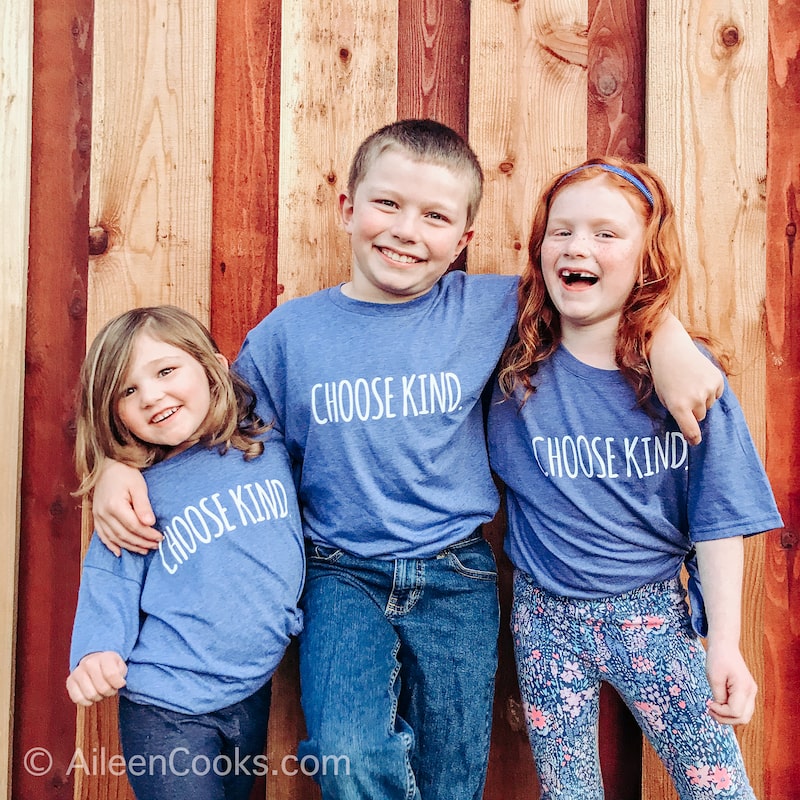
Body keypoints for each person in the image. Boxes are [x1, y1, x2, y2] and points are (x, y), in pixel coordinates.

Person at [88, 121, 725, 800]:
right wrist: (115, 464)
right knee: (348, 754)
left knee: (454, 776)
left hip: (458, 573)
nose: (406, 230)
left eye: (435, 216)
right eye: (387, 204)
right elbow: (209, 425)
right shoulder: (286, 337)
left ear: (463, 240)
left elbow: (591, 289)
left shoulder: (490, 307)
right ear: (347, 207)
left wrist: (668, 336)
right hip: (340, 573)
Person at [488, 158, 783, 799]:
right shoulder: (510, 366)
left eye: (606, 233)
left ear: (647, 257)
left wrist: (724, 645)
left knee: (719, 788)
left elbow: (720, 516)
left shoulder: (687, 381)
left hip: (651, 616)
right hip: (545, 617)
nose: (578, 246)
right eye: (560, 231)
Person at [67, 306, 305, 800]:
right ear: (113, 413)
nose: (152, 396)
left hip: (247, 692)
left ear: (214, 367)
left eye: (166, 371)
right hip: (166, 709)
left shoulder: (265, 438)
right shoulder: (138, 496)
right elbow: (109, 580)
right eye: (127, 391)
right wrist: (97, 651)